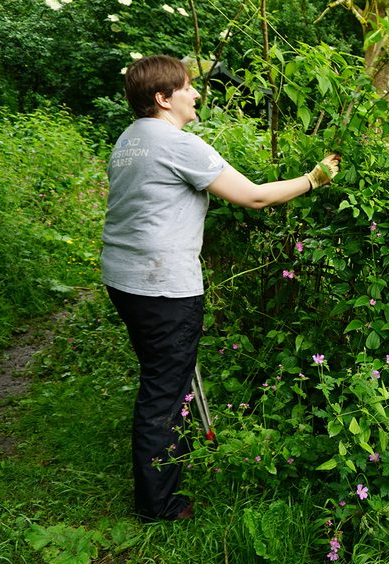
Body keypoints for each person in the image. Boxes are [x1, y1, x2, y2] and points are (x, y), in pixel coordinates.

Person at [101, 54, 340, 522]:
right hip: (163, 286)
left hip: (124, 279)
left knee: (161, 378)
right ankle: (160, 506)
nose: (196, 94)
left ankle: (176, 462)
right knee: (163, 391)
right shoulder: (179, 143)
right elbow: (253, 196)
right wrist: (314, 180)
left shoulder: (127, 141)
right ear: (162, 98)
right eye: (187, 87)